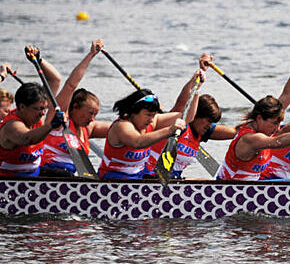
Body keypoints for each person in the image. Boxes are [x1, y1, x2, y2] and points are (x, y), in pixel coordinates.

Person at [216, 46, 290, 181]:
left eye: (279, 123)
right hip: (231, 192)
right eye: (274, 123)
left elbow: (288, 95)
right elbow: (277, 141)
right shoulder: (251, 138)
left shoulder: (265, 124)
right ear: (260, 118)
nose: (278, 128)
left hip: (251, 191)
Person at [98, 72, 203, 179]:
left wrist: (196, 89)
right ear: (133, 112)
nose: (151, 120)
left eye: (153, 115)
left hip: (140, 178)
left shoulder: (153, 121)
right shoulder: (122, 126)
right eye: (148, 115)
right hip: (113, 180)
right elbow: (138, 142)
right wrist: (170, 130)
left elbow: (188, 117)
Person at [40, 39, 111, 176]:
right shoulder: (59, 121)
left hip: (68, 178)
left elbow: (122, 126)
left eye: (95, 114)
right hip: (46, 174)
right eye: (90, 113)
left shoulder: (88, 128)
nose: (92, 119)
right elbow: (70, 85)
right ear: (75, 107)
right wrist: (91, 55)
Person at [0, 83, 65, 176]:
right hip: (10, 180)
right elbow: (27, 138)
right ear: (22, 107)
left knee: (67, 175)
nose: (43, 113)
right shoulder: (12, 126)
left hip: (34, 174)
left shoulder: (37, 119)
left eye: (45, 109)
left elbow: (54, 80)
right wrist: (50, 126)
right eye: (40, 109)